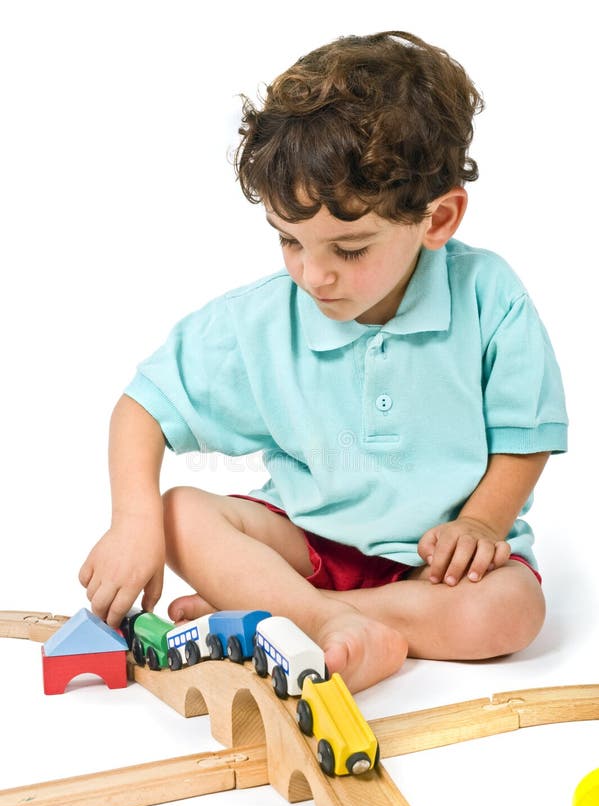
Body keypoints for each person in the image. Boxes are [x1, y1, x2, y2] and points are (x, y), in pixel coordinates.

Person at [79, 30, 568, 693]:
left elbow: (523, 436)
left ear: (437, 218)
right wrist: (132, 523)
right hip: (302, 543)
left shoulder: (490, 298)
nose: (313, 275)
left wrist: (479, 522)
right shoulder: (260, 319)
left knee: (511, 613)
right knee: (178, 514)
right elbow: (142, 407)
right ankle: (314, 615)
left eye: (349, 248)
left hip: (433, 569)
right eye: (289, 240)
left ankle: (287, 620)